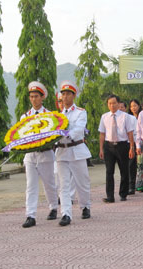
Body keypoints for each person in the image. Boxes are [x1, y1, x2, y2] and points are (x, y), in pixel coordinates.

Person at [21, 81, 59, 228]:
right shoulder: (25, 116)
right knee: (30, 185)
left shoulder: (49, 115)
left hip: (45, 154)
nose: (33, 99)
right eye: (31, 96)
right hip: (30, 155)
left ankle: (53, 207)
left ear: (42, 98)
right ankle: (30, 215)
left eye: (36, 96)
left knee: (49, 184)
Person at [56, 81, 92, 226]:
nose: (65, 97)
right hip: (62, 151)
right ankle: (66, 214)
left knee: (82, 182)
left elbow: (78, 130)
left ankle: (85, 206)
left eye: (68, 94)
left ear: (73, 95)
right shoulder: (57, 116)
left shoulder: (80, 112)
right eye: (63, 94)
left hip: (76, 150)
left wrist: (63, 134)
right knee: (63, 185)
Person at [99, 95, 135, 202]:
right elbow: (102, 133)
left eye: (114, 103)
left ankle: (123, 193)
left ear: (118, 104)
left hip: (122, 145)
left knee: (124, 170)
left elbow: (130, 133)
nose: (112, 105)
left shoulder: (125, 116)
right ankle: (110, 196)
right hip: (109, 146)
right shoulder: (104, 117)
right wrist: (101, 149)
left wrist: (131, 147)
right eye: (110, 103)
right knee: (109, 171)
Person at [54, 92, 76, 205]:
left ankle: (70, 196)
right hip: (60, 149)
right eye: (59, 101)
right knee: (58, 175)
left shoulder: (75, 113)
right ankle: (62, 195)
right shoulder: (55, 118)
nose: (61, 103)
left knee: (73, 175)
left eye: (62, 101)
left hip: (73, 147)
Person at [128, 99, 143, 193]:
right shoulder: (128, 118)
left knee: (141, 165)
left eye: (135, 106)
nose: (133, 108)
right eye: (131, 106)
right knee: (131, 165)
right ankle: (131, 186)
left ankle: (141, 185)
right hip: (132, 144)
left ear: (139, 106)